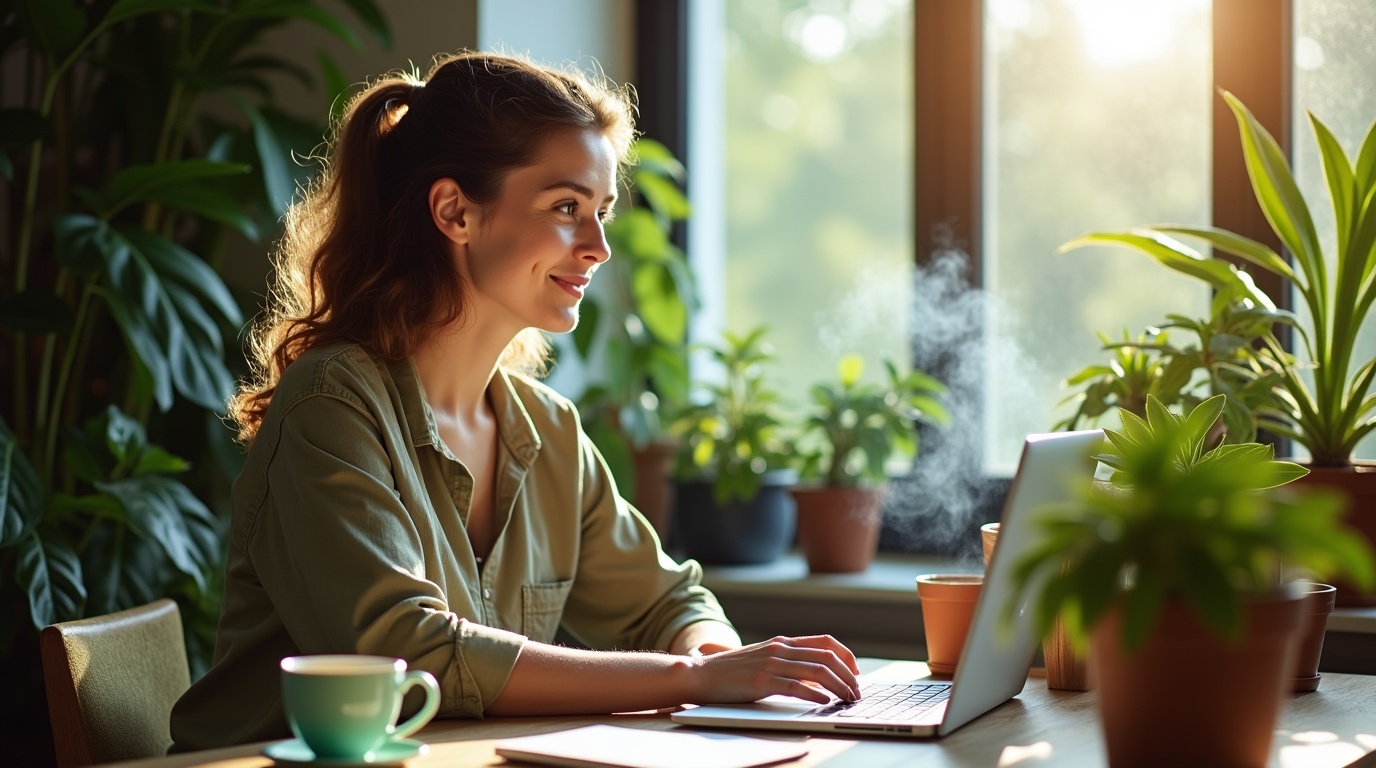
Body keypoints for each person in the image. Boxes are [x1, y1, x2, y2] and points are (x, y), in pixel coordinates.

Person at [168, 51, 860, 751]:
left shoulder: (548, 429)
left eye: (601, 212)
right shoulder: (330, 406)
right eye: (565, 208)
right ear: (455, 212)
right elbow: (410, 657)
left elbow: (668, 602)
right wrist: (692, 680)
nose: (597, 247)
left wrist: (717, 658)